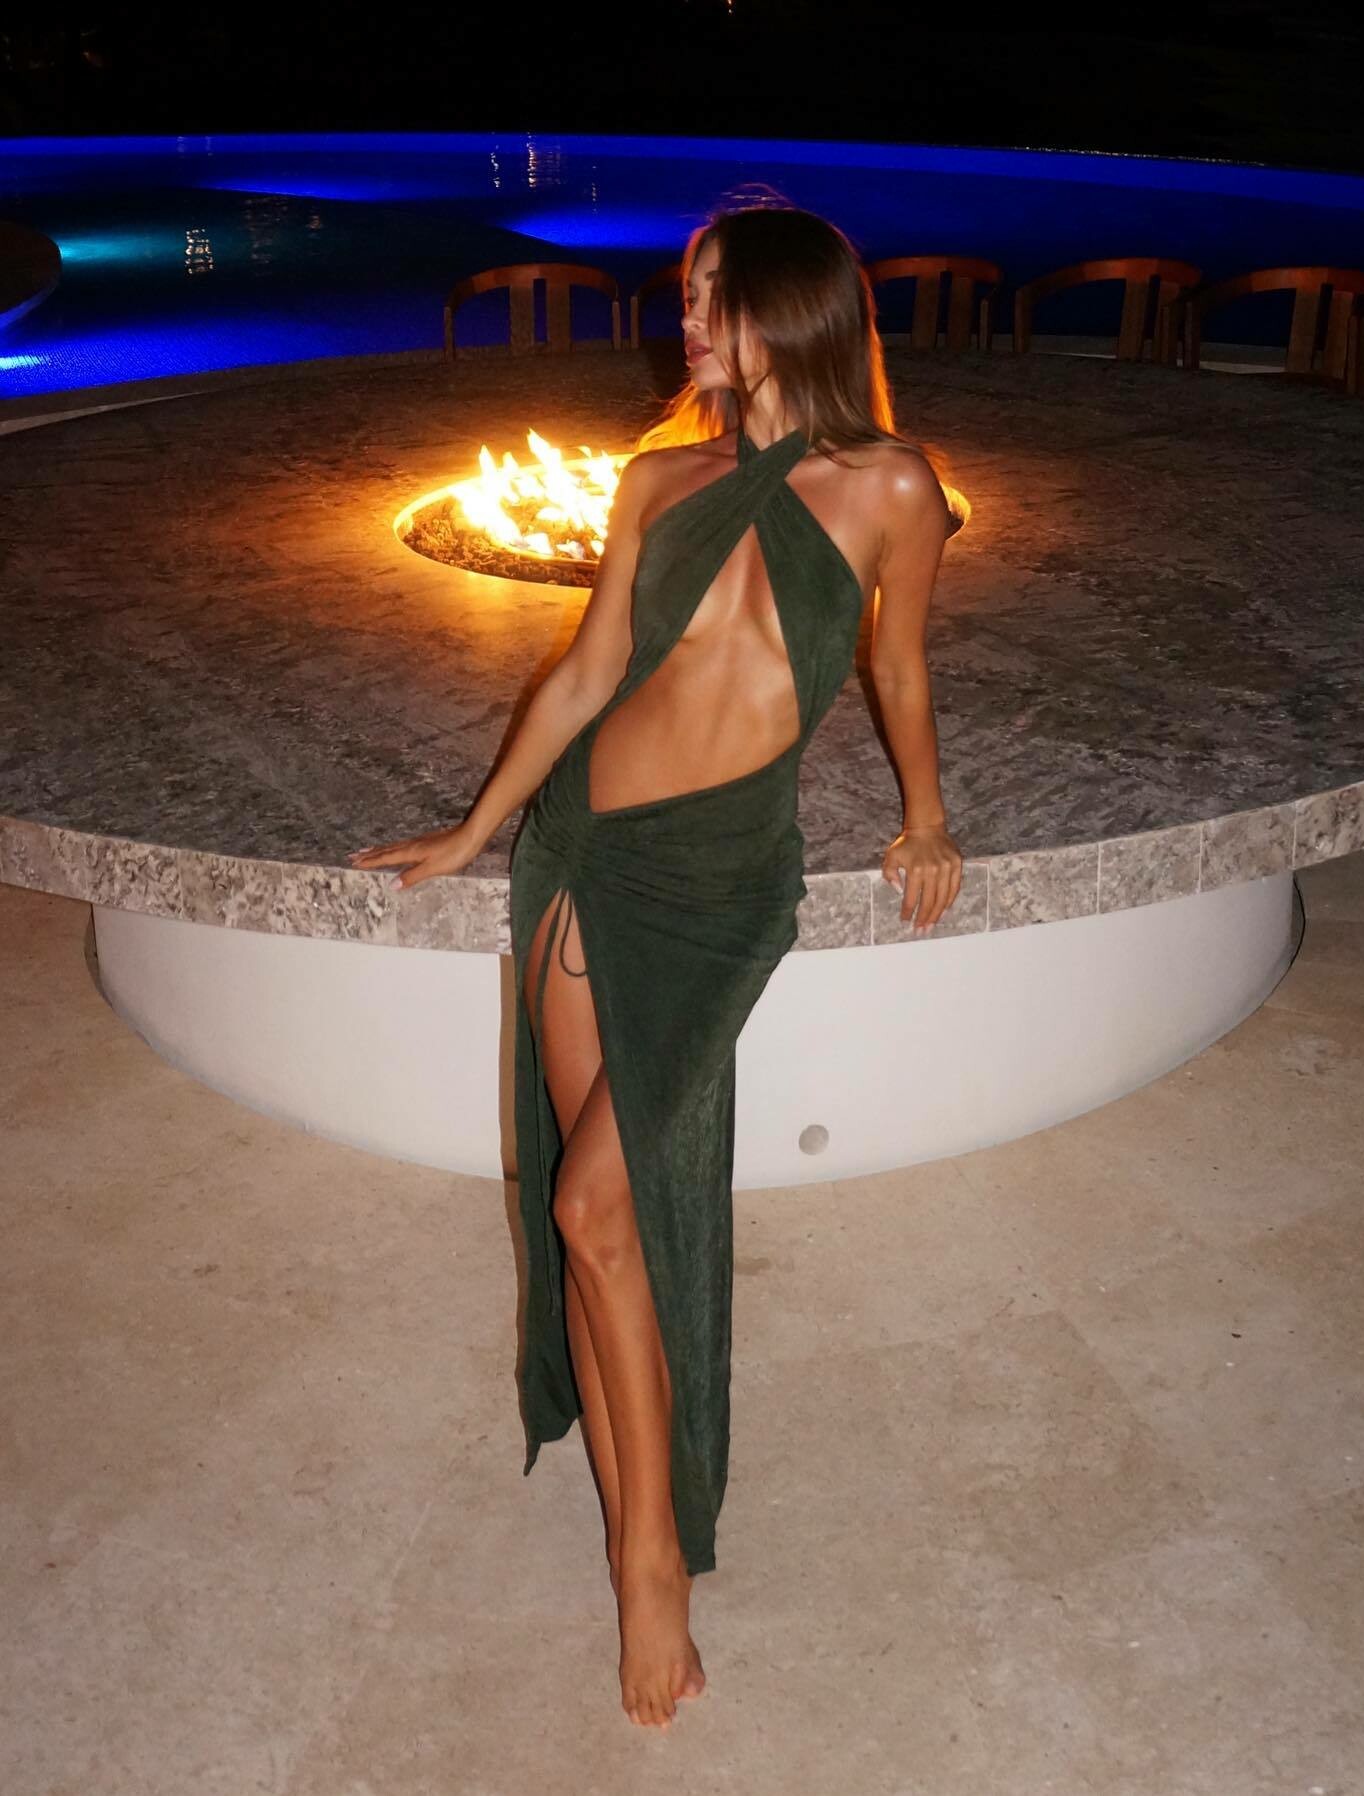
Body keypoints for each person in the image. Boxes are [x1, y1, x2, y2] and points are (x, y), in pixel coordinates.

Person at [349, 196, 965, 1729]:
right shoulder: (653, 479)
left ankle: (649, 1559)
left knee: (593, 1199)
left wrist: (927, 817)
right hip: (584, 851)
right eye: (686, 293)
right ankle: (644, 1552)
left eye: (708, 296)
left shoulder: (894, 486)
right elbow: (584, 680)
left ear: (787, 309)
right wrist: (475, 828)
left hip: (720, 884)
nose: (681, 319)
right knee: (593, 1215)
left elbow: (897, 666)